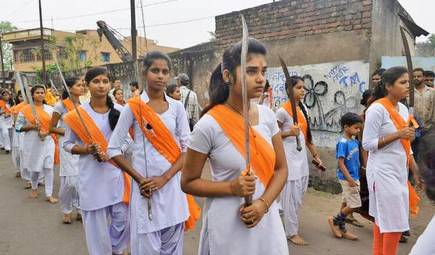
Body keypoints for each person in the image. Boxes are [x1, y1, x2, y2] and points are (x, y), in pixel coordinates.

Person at [181, 38, 289, 255]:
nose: (260, 79)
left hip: (265, 220)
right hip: (228, 225)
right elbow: (188, 182)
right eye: (250, 71)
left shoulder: (267, 117)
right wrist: (232, 187)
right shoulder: (208, 125)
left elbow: (281, 169)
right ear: (228, 76)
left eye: (263, 71)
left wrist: (263, 205)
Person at [108, 51, 200, 255]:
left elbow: (187, 149)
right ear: (145, 72)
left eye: (165, 72)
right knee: (147, 247)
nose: (160, 76)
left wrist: (165, 178)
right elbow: (113, 149)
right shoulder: (133, 107)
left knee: (173, 248)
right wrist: (140, 179)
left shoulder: (176, 107)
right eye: (155, 70)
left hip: (173, 188)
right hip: (146, 190)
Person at [63, 67, 130, 255]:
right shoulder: (77, 114)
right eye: (96, 81)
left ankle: (116, 249)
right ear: (87, 85)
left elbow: (128, 139)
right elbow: (67, 144)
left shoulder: (120, 110)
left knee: (124, 220)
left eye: (104, 81)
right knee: (96, 231)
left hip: (117, 174)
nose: (101, 85)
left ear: (109, 84)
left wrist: (114, 152)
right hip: (91, 178)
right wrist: (85, 149)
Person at [362, 66, 416, 255]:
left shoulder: (402, 108)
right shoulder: (376, 109)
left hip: (399, 170)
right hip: (382, 171)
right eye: (403, 82)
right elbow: (367, 144)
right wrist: (398, 134)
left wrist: (415, 169)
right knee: (393, 221)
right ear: (388, 86)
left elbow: (406, 144)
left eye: (408, 82)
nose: (408, 85)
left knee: (384, 219)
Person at [49, 77, 84, 224]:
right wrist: (68, 132)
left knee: (81, 179)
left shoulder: (86, 105)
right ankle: (66, 209)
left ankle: (80, 208)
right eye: (78, 85)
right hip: (67, 145)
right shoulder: (61, 106)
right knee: (70, 181)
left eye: (83, 85)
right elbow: (51, 127)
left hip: (82, 145)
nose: (82, 87)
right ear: (69, 88)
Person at [15, 85, 58, 203]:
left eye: (42, 92)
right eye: (37, 92)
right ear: (32, 95)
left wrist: (47, 132)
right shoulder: (25, 110)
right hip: (33, 142)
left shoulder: (50, 109)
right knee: (36, 168)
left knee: (49, 167)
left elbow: (56, 127)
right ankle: (34, 188)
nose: (40, 94)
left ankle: (49, 194)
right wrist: (32, 126)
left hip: (48, 141)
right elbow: (17, 127)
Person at [328, 112, 362, 240]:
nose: (358, 130)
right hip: (347, 178)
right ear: (346, 127)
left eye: (359, 128)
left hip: (355, 176)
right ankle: (334, 220)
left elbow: (356, 160)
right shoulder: (343, 143)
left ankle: (342, 229)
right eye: (355, 128)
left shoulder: (354, 141)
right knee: (355, 205)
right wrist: (350, 179)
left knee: (345, 202)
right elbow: (341, 163)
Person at [0, 89, 13, 154]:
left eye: (7, 95)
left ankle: (10, 145)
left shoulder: (12, 102)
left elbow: (14, 110)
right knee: (5, 133)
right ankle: (7, 148)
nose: (6, 96)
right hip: (2, 120)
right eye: (4, 95)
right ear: (2, 96)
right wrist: (3, 112)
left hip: (10, 119)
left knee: (11, 133)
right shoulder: (0, 102)